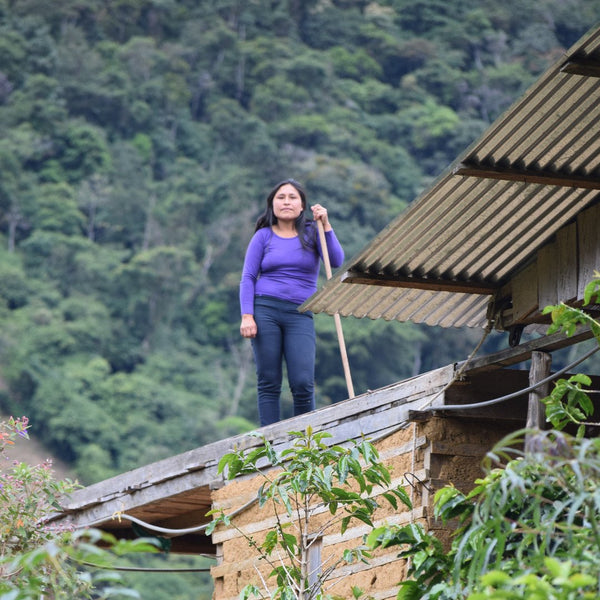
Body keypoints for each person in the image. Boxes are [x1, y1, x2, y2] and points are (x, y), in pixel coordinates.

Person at [239, 178, 345, 426]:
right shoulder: (263, 236)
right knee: (268, 379)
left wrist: (326, 226)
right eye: (281, 197)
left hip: (300, 312)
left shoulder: (312, 232)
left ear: (302, 205)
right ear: (272, 205)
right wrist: (247, 315)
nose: (286, 201)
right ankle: (269, 443)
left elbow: (336, 260)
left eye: (292, 197)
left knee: (302, 381)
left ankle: (305, 442)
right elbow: (248, 277)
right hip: (265, 310)